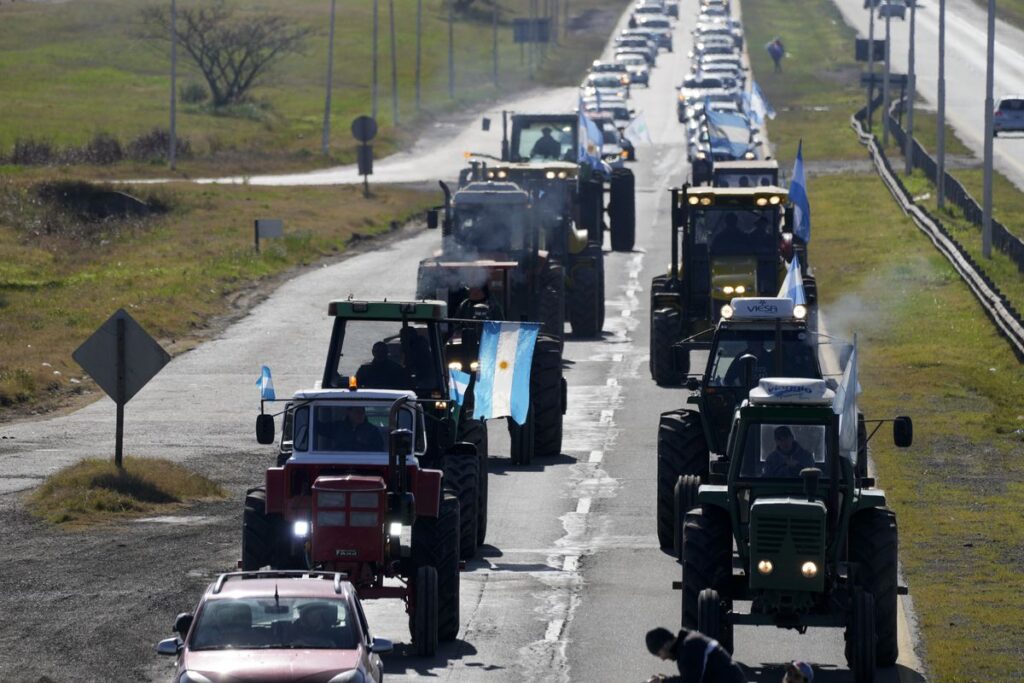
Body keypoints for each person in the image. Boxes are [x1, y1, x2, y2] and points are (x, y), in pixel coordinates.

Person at [644, 626, 747, 683]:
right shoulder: (688, 642)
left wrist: (662, 681)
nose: (662, 659)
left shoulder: (688, 648)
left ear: (665, 644)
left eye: (659, 654)